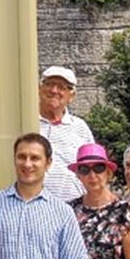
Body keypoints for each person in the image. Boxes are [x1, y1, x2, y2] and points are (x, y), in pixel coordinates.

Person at [37, 66, 94, 201]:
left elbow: (92, 166)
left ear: (71, 96)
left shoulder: (80, 127)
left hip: (74, 205)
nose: (54, 90)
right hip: (33, 205)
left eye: (62, 87)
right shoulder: (25, 122)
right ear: (39, 88)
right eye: (49, 84)